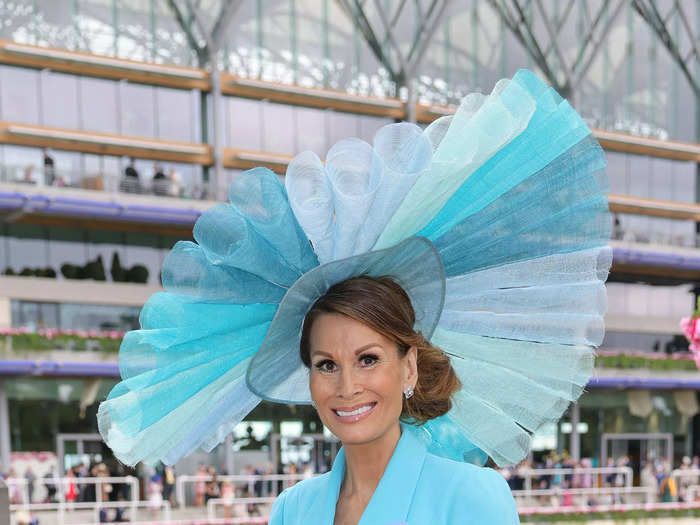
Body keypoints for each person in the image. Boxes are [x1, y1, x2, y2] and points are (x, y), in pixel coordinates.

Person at [97, 69, 612, 523]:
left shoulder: (473, 498)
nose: (346, 386)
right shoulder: (292, 510)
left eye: (368, 358)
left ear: (409, 367)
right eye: (326, 364)